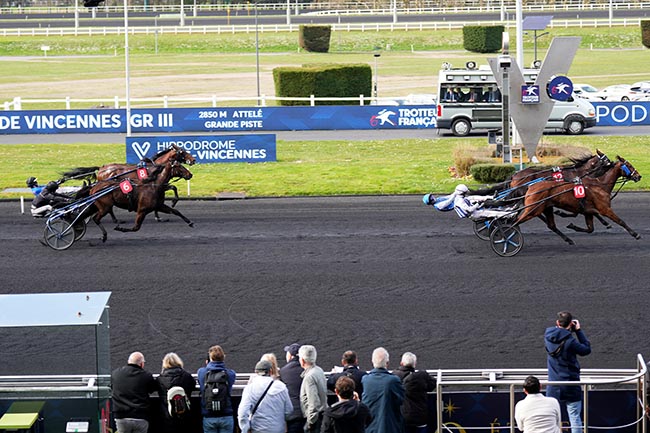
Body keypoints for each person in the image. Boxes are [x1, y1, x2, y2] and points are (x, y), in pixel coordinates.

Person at [544, 312, 591, 433]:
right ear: (571, 324)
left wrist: (568, 330)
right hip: (571, 384)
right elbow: (586, 350)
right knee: (574, 417)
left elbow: (559, 334)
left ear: (557, 323)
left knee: (551, 418)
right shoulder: (571, 341)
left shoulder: (547, 335)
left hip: (553, 384)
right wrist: (578, 331)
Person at [238, 360, 293, 433]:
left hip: (257, 430)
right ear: (270, 371)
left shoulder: (249, 389)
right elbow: (289, 411)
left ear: (256, 372)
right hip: (278, 429)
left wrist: (245, 428)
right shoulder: (281, 387)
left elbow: (242, 413)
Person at [111, 351, 158, 433]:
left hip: (121, 417)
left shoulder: (116, 374)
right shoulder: (146, 376)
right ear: (141, 364)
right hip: (140, 416)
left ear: (129, 361)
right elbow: (152, 389)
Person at [361, 347, 405, 433]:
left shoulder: (365, 380)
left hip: (370, 427)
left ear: (372, 362)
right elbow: (401, 400)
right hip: (389, 426)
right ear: (387, 363)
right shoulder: (393, 380)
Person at [197, 345, 237, 433]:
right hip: (226, 415)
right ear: (223, 357)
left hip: (208, 416)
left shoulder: (201, 372)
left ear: (210, 358)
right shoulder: (230, 374)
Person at [392, 352, 436, 433]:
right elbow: (432, 385)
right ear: (414, 364)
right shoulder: (422, 376)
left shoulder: (394, 376)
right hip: (420, 418)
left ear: (401, 363)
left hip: (402, 418)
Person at [156, 352, 197, 433]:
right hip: (185, 415)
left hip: (167, 416)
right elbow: (193, 385)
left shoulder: (160, 379)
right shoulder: (187, 376)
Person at [298, 344, 327, 433]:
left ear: (302, 360)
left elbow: (313, 402)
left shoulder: (309, 377)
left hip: (315, 420)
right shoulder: (319, 370)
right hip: (321, 415)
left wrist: (310, 422)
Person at [280, 343, 305, 433]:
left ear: (290, 356)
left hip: (292, 415)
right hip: (306, 414)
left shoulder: (283, 371)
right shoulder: (307, 370)